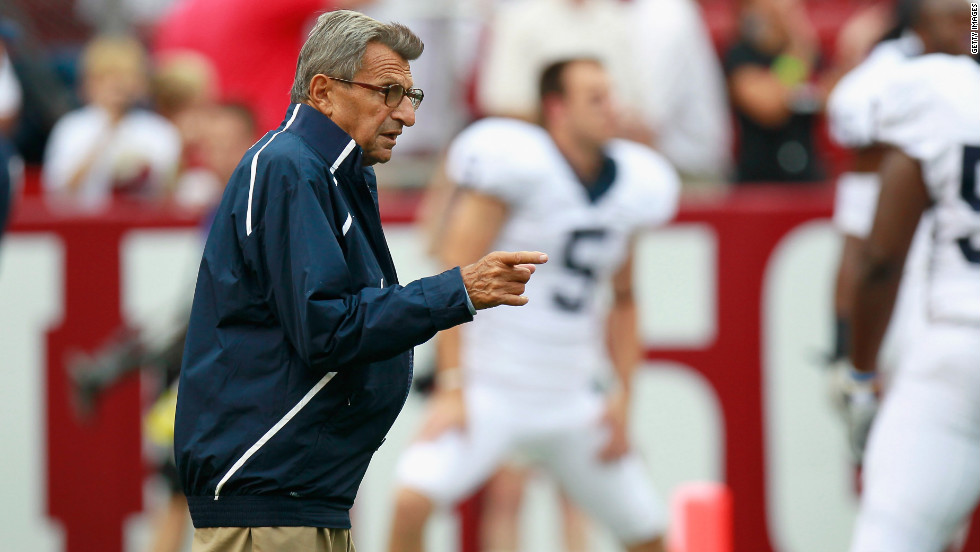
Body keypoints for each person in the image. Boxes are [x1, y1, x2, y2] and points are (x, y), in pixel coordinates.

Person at [173, 10, 548, 551]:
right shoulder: (288, 166)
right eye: (389, 92)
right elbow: (327, 328)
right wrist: (456, 291)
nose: (407, 116)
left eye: (412, 97)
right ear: (323, 91)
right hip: (272, 501)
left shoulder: (329, 172)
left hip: (300, 495)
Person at [388, 58, 680, 552]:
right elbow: (452, 275)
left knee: (648, 533)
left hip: (572, 395)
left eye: (611, 95)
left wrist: (623, 401)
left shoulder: (633, 184)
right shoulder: (515, 166)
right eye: (596, 98)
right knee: (411, 503)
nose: (612, 109)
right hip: (492, 388)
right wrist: (453, 385)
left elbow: (625, 300)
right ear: (557, 108)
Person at [841, 48, 979, 552]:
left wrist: (859, 374)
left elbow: (879, 258)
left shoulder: (943, 93)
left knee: (891, 536)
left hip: (960, 342)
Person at [825, 0, 971, 460]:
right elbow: (869, 248)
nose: (968, 24)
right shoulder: (900, 73)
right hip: (926, 309)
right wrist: (848, 348)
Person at [42, 34, 181, 210]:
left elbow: (171, 194)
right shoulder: (71, 128)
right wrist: (106, 133)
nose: (116, 85)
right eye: (105, 77)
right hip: (86, 227)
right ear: (88, 83)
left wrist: (142, 172)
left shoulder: (159, 130)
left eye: (125, 76)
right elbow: (59, 193)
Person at [723, 0, 825, 183]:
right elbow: (770, 107)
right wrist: (799, 46)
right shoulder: (741, 56)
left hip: (807, 176)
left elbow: (833, 100)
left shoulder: (811, 56)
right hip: (759, 182)